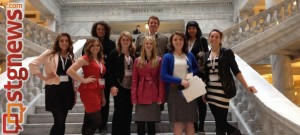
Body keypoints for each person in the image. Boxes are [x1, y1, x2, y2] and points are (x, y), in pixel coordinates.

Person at [203, 29, 257, 135]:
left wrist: (246, 86)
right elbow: (206, 74)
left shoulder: (226, 52)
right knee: (219, 124)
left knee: (222, 122)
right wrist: (204, 91)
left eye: (216, 37)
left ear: (221, 39)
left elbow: (236, 70)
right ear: (209, 38)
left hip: (223, 91)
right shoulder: (206, 54)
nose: (213, 39)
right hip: (210, 92)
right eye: (212, 36)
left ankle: (237, 133)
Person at [29, 33, 75, 135]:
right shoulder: (50, 54)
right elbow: (32, 64)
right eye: (61, 41)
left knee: (63, 123)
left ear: (69, 43)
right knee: (59, 121)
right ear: (58, 42)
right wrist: (43, 77)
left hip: (67, 91)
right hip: (54, 91)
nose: (64, 43)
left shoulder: (70, 56)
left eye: (66, 41)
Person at [160, 31, 199, 135]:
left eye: (180, 39)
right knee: (178, 122)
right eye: (175, 39)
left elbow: (196, 68)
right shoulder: (167, 56)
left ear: (184, 41)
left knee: (190, 122)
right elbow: (163, 75)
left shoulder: (189, 55)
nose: (178, 41)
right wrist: (180, 80)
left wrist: (189, 76)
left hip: (190, 90)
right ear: (171, 42)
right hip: (174, 91)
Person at [67, 38, 106, 135]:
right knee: (97, 120)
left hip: (98, 90)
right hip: (89, 91)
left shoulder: (99, 59)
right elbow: (70, 71)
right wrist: (83, 80)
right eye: (92, 45)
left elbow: (101, 77)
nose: (95, 48)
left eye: (97, 45)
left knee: (89, 119)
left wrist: (103, 96)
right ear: (88, 47)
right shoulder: (85, 58)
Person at [82, 21, 116, 132]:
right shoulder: (88, 42)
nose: (100, 31)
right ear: (95, 31)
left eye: (103, 29)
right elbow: (84, 58)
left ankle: (103, 126)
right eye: (98, 29)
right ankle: (89, 126)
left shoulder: (111, 44)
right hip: (91, 79)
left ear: (106, 31)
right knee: (90, 106)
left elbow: (112, 62)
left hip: (104, 77)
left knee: (104, 102)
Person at [131, 36, 166, 135]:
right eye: (147, 43)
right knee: (140, 124)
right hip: (141, 94)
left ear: (154, 45)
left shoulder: (159, 60)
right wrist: (133, 97)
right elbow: (134, 80)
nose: (149, 45)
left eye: (151, 43)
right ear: (143, 45)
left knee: (151, 125)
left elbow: (161, 80)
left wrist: (161, 97)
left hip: (153, 94)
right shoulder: (137, 60)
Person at [108, 31, 136, 135]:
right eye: (123, 39)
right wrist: (112, 86)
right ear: (120, 41)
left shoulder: (134, 54)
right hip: (119, 86)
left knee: (128, 112)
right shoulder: (114, 53)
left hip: (130, 88)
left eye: (127, 39)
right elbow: (110, 72)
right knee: (119, 111)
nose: (125, 41)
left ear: (130, 41)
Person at [185, 21, 209, 134]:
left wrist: (205, 77)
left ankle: (202, 125)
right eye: (189, 28)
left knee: (201, 102)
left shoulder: (202, 40)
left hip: (199, 74)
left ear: (197, 29)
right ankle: (193, 124)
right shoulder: (184, 41)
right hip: (187, 75)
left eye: (193, 28)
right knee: (191, 103)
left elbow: (206, 57)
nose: (191, 30)